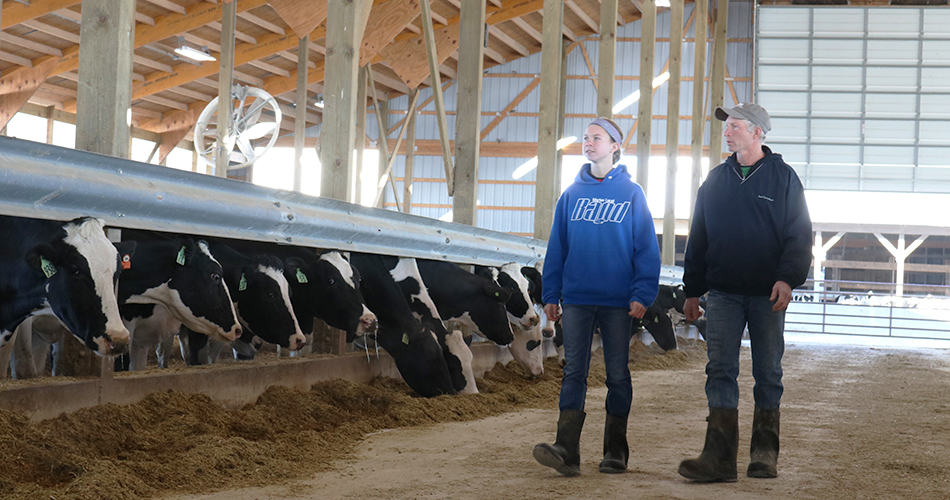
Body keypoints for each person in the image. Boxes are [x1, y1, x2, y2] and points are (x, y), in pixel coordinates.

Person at [679, 103, 813, 482]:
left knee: (768, 372)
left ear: (757, 133)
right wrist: (693, 290)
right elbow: (699, 237)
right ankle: (719, 458)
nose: (727, 131)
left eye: (735, 126)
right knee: (720, 370)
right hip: (722, 294)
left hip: (766, 294)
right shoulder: (715, 181)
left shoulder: (783, 179)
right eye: (727, 126)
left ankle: (764, 454)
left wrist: (788, 278)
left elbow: (800, 235)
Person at [533, 117, 661, 476]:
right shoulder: (571, 195)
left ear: (615, 146)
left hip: (619, 301)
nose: (588, 143)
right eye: (586, 138)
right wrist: (551, 294)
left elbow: (646, 250)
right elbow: (556, 248)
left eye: (597, 138)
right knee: (574, 371)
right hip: (576, 298)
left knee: (617, 374)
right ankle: (566, 451)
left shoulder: (632, 194)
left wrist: (642, 293)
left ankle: (615, 452)